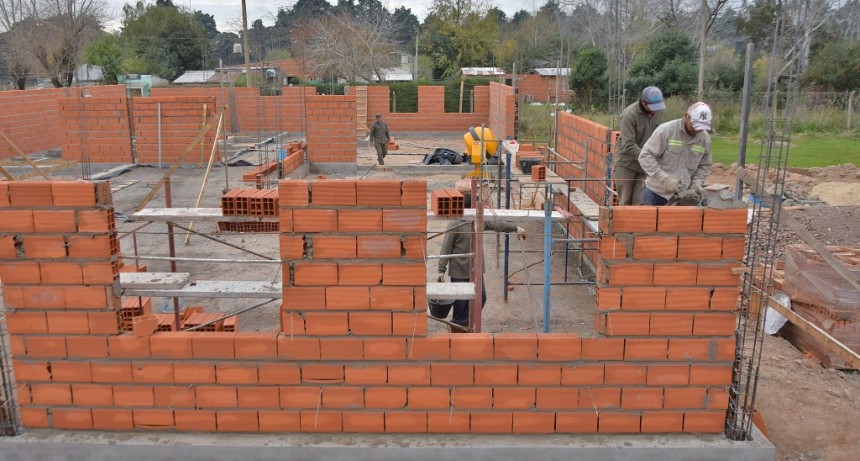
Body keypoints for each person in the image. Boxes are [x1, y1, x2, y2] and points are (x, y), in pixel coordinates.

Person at [436, 194, 526, 330]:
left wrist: (516, 228)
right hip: (459, 271)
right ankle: (457, 328)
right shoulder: (455, 224)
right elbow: (446, 247)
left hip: (476, 268)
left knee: (481, 298)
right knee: (460, 303)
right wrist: (441, 270)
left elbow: (497, 224)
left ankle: (459, 324)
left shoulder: (479, 221)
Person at [638, 102, 714, 206]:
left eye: (701, 127)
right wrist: (663, 179)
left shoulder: (704, 138)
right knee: (648, 217)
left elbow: (705, 165)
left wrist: (696, 183)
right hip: (656, 193)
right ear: (686, 116)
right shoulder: (666, 130)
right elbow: (645, 155)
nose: (698, 129)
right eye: (695, 125)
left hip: (683, 197)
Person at [614, 86, 665, 206]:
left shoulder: (658, 112)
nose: (654, 111)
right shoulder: (629, 115)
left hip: (645, 166)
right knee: (625, 201)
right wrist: (646, 157)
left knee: (640, 203)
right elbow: (628, 144)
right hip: (627, 164)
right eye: (652, 107)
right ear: (643, 102)